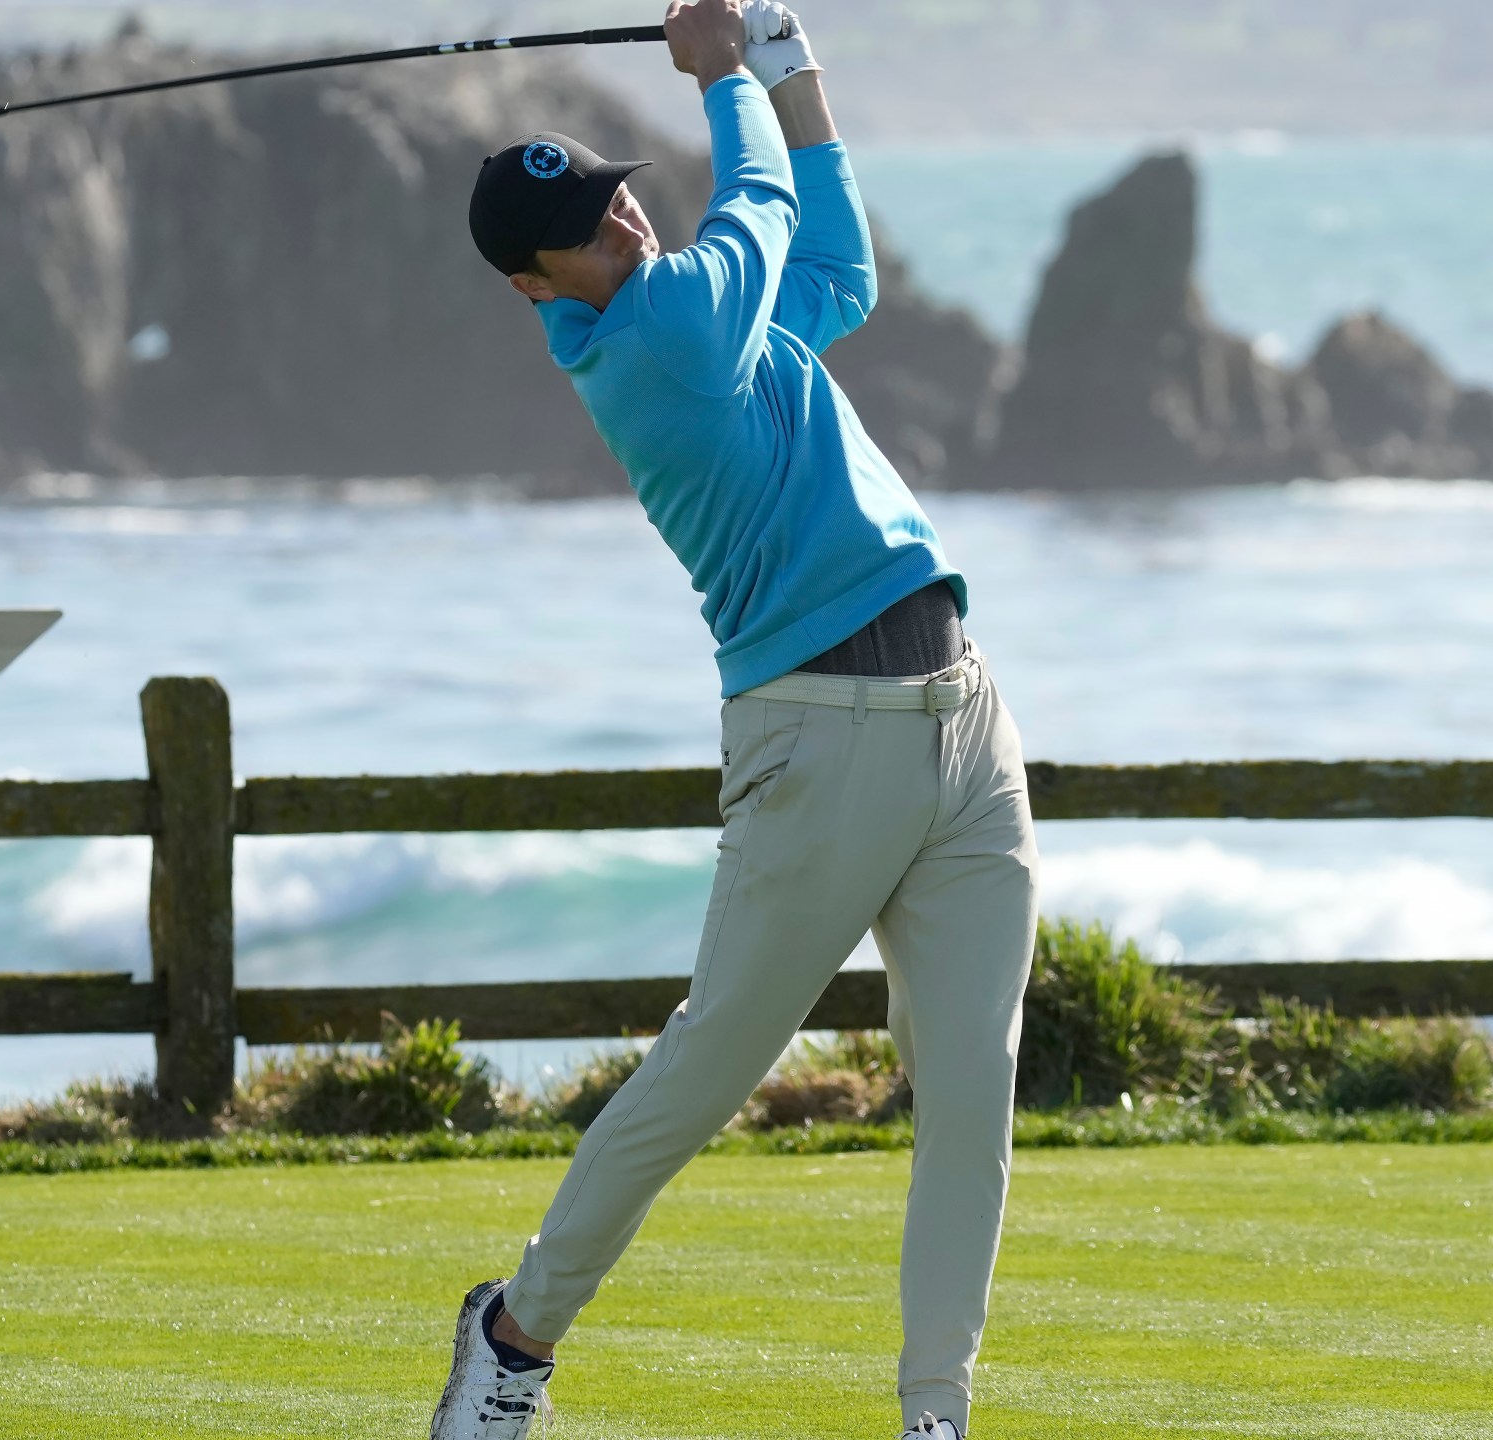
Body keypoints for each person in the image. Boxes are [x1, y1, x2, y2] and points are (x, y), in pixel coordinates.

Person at [430, 2, 1038, 1437]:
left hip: (962, 713)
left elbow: (835, 267)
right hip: (816, 735)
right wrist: (726, 78)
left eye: (611, 193)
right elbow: (760, 201)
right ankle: (513, 1337)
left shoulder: (708, 306)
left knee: (973, 1086)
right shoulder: (649, 344)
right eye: (586, 228)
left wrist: (793, 70)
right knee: (712, 1067)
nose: (622, 223)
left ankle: (936, 1414)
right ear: (538, 287)